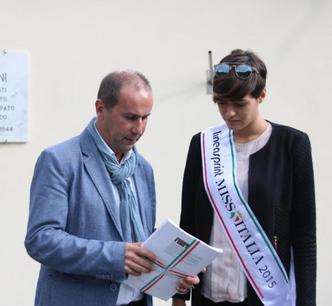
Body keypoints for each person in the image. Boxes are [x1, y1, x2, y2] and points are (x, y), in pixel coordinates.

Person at [25, 70, 198, 306]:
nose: (139, 128)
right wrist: (115, 256)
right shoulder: (59, 161)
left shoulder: (143, 169)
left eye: (145, 117)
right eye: (130, 117)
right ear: (100, 109)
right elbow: (41, 240)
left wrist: (175, 269)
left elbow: (139, 238)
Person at [172, 49, 316, 306]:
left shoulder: (292, 145)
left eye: (239, 104)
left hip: (264, 296)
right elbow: (189, 223)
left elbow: (304, 234)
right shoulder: (203, 144)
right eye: (221, 102)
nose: (229, 113)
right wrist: (179, 295)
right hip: (209, 294)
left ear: (261, 96)